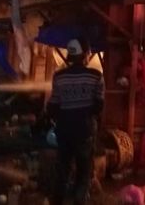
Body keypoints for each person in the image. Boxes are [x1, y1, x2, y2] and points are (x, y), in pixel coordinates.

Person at [47, 38, 104, 205]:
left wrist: (60, 121)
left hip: (64, 131)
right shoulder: (96, 76)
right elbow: (99, 106)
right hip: (85, 131)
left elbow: (53, 106)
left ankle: (57, 201)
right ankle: (79, 201)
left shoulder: (58, 77)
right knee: (83, 173)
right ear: (85, 55)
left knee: (62, 172)